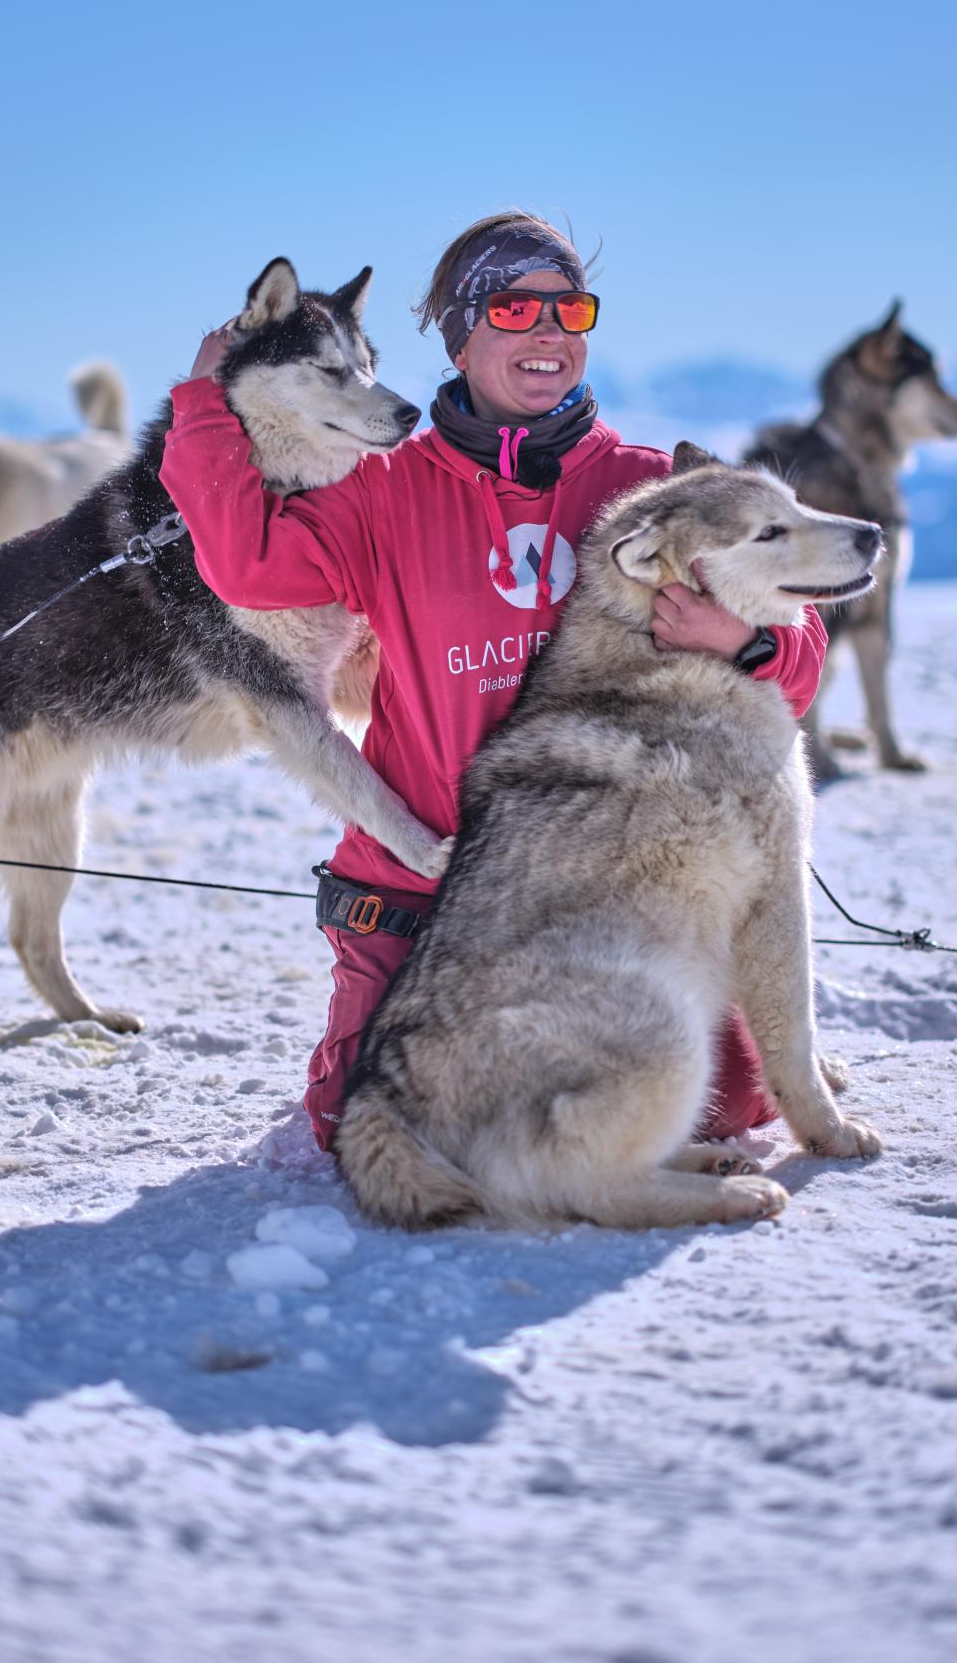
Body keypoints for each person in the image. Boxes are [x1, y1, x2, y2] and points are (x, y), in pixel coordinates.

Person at [161, 213, 826, 1154]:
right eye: (517, 310)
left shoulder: (647, 486)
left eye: (570, 310)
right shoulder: (383, 488)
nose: (550, 332)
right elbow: (249, 566)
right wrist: (201, 400)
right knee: (374, 1127)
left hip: (613, 889)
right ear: (463, 335)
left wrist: (743, 645)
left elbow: (797, 655)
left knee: (717, 1110)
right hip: (427, 882)